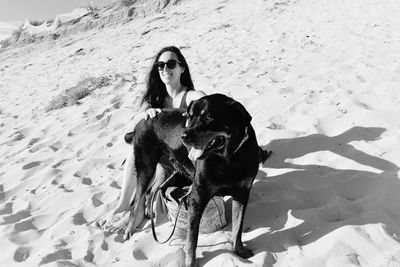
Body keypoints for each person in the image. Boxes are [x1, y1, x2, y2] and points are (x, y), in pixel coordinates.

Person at [96, 46, 206, 233]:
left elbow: (207, 101)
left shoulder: (191, 97)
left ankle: (136, 209)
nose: (165, 69)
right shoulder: (155, 99)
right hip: (158, 156)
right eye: (160, 65)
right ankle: (124, 205)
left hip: (182, 161)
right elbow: (133, 125)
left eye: (171, 64)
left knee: (153, 183)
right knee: (136, 148)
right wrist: (145, 113)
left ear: (182, 68)